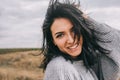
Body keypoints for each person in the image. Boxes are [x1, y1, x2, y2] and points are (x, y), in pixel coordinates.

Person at [40, 0, 120, 80]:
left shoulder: (85, 64)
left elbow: (117, 42)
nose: (71, 40)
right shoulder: (60, 68)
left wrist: (85, 18)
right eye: (60, 35)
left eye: (74, 30)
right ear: (53, 40)